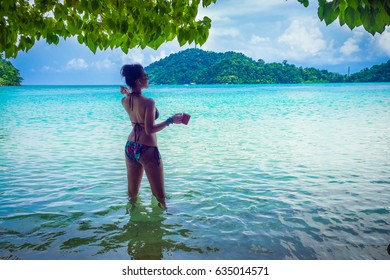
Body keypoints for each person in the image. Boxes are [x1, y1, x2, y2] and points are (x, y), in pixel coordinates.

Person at [120, 64, 183, 209]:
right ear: (138, 81)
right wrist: (170, 121)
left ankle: (133, 225)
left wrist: (128, 93)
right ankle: (162, 225)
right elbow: (149, 130)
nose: (147, 78)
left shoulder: (125, 101)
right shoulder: (149, 102)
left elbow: (133, 101)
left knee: (132, 195)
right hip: (147, 148)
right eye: (145, 76)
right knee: (160, 197)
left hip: (130, 147)